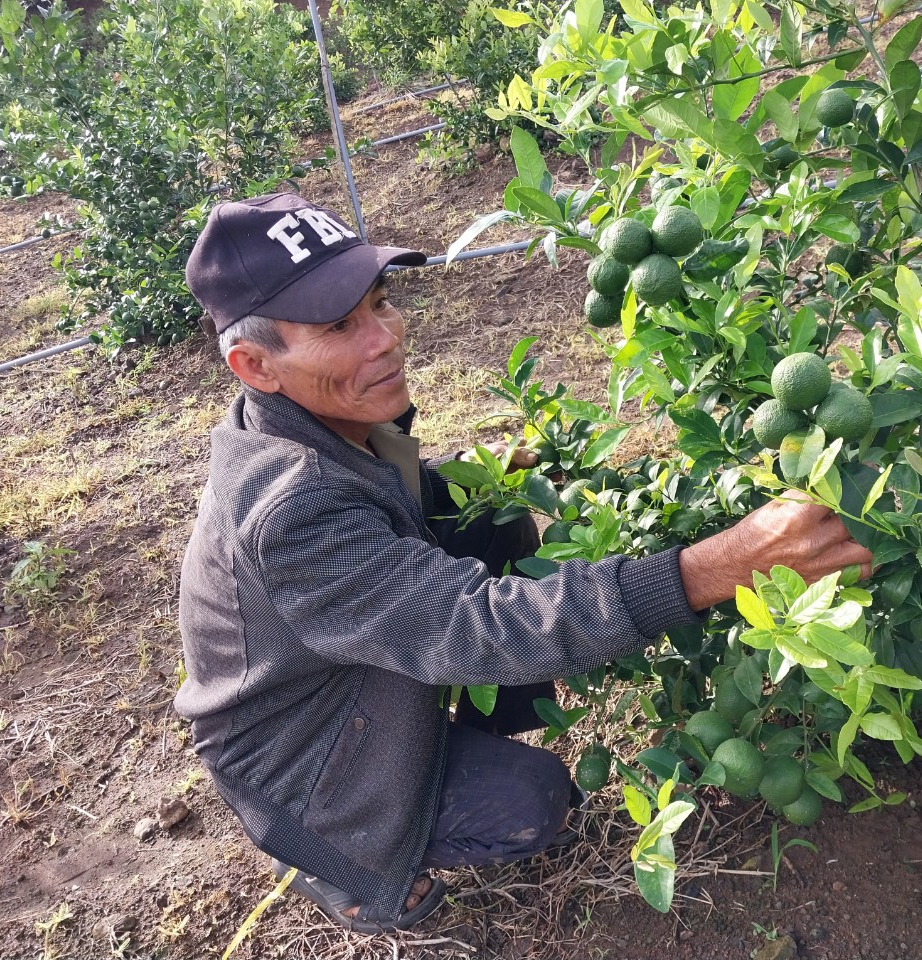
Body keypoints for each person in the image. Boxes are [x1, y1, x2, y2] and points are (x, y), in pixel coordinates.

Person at [175, 192, 873, 934]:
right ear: (254, 365)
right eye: (341, 325)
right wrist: (711, 568)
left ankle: (474, 728)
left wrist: (483, 475)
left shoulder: (325, 422)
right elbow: (477, 622)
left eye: (381, 303)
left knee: (493, 512)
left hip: (346, 680)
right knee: (532, 804)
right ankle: (340, 865)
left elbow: (386, 497)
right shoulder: (291, 514)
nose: (384, 338)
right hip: (303, 764)